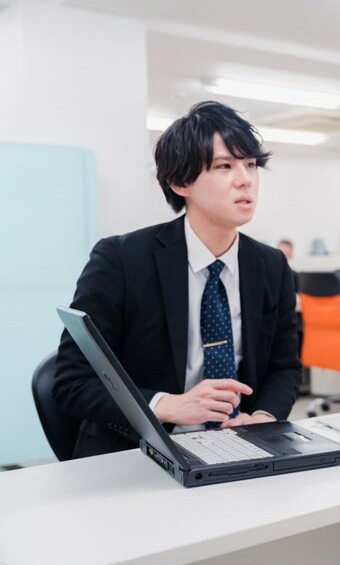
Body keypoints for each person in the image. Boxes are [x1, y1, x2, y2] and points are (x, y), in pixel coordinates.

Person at [53, 101, 302, 458]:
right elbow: (73, 382)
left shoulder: (271, 265)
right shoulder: (121, 260)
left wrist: (264, 417)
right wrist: (166, 405)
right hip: (137, 452)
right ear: (179, 181)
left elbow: (284, 367)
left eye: (250, 164)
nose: (245, 178)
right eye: (224, 166)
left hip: (237, 447)